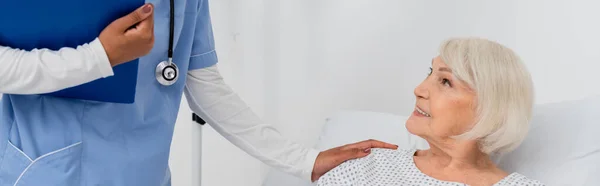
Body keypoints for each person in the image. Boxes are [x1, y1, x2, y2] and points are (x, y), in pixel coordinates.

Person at [0, 2, 398, 186]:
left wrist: (304, 161)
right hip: (46, 173)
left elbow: (205, 86)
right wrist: (99, 57)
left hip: (144, 177)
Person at [316, 38, 546, 186]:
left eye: (445, 81)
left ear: (489, 108)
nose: (419, 90)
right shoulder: (366, 166)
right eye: (430, 72)